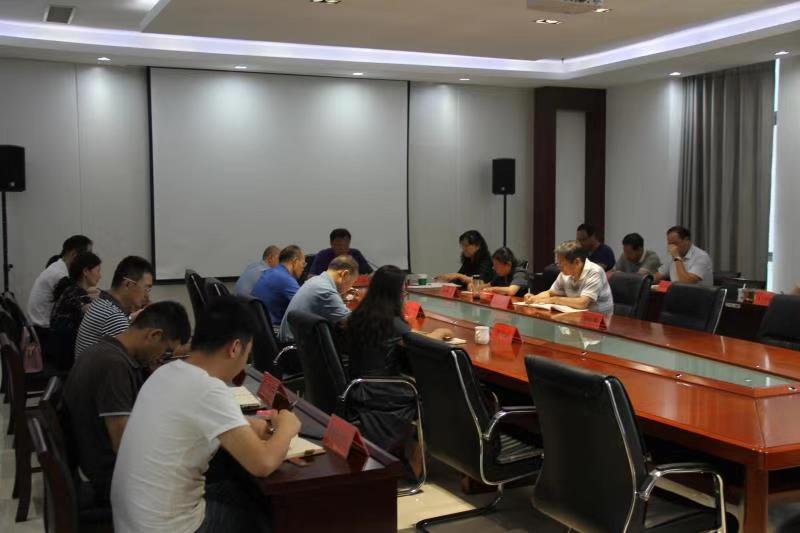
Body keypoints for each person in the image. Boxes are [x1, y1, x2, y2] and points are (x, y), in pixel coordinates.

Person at [111, 297, 301, 533]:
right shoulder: (208, 389)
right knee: (267, 514)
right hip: (168, 528)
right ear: (235, 348)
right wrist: (287, 427)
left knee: (237, 489)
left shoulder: (166, 373)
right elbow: (263, 464)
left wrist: (256, 426)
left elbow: (207, 417)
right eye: (247, 355)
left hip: (132, 521)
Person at [63, 302, 191, 505]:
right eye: (166, 351)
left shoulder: (106, 351)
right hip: (114, 480)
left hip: (101, 465)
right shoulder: (113, 367)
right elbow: (123, 445)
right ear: (154, 335)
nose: (162, 358)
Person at [336, 265, 452, 461]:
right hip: (382, 390)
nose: (404, 295)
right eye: (403, 291)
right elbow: (419, 342)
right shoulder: (391, 320)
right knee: (433, 393)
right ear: (395, 293)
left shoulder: (360, 314)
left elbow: (405, 337)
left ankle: (409, 450)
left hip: (357, 385)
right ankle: (416, 458)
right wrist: (440, 332)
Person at [75, 256, 154, 357]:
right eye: (146, 288)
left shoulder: (102, 302)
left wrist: (130, 319)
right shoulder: (113, 315)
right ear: (128, 284)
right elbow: (137, 358)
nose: (147, 295)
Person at [279, 255, 358, 342]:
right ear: (344, 274)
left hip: (291, 340)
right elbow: (351, 323)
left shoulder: (316, 280)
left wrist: (339, 295)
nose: (350, 286)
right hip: (296, 346)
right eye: (352, 282)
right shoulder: (325, 291)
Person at [525, 240, 614, 314]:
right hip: (575, 315)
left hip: (599, 322)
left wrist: (554, 300)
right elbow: (550, 293)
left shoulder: (594, 272)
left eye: (562, 265)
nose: (559, 268)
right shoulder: (565, 273)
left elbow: (582, 303)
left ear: (577, 262)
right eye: (558, 264)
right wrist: (534, 298)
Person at [48, 251, 103, 371]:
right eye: (98, 271)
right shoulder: (78, 295)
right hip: (68, 357)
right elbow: (99, 321)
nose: (100, 276)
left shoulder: (71, 290)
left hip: (60, 352)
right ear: (86, 272)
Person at [27, 235, 93, 333]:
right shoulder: (59, 275)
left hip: (42, 326)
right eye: (88, 255)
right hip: (44, 330)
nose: (91, 260)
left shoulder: (58, 267)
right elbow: (80, 305)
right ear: (74, 254)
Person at [251, 245, 305, 326]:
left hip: (259, 325)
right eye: (303, 263)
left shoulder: (270, 272)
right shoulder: (286, 279)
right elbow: (304, 306)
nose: (303, 268)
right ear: (295, 261)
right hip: (273, 328)